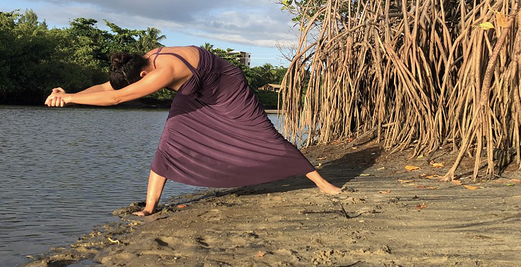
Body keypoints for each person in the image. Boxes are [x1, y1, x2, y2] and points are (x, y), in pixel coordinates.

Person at [45, 45, 341, 215]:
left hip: (227, 88)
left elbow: (117, 97)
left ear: (144, 75)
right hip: (195, 93)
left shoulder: (164, 70)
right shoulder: (142, 62)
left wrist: (69, 100)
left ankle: (322, 183)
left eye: (139, 81)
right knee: (170, 140)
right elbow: (110, 86)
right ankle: (150, 207)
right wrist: (70, 92)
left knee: (264, 134)